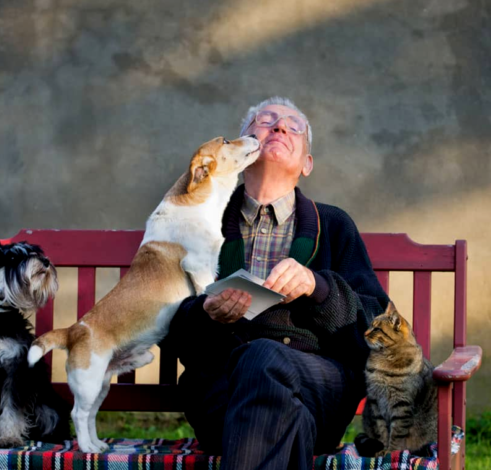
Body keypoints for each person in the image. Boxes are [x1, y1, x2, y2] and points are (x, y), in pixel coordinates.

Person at [164, 96, 390, 469]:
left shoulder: (334, 226)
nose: (280, 126)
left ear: (307, 164)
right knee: (286, 416)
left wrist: (319, 288)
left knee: (263, 358)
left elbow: (376, 325)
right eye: (265, 120)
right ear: (241, 151)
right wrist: (206, 313)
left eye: (293, 126)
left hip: (319, 388)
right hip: (223, 395)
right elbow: (167, 327)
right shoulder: (200, 226)